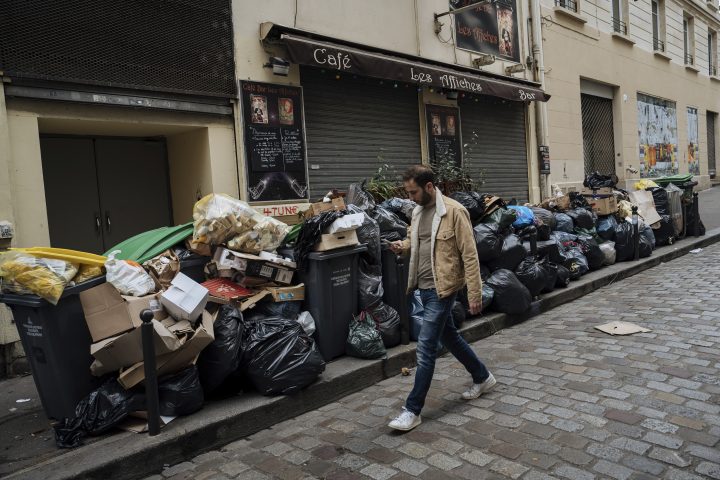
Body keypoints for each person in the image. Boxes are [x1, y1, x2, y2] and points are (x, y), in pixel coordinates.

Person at [387, 165, 495, 432]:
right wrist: (402, 246)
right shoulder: (417, 211)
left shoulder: (454, 212)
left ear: (428, 187)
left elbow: (470, 255)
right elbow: (415, 239)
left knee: (425, 348)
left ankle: (412, 410)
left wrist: (475, 293)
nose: (410, 197)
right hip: (422, 287)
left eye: (413, 192)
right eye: (407, 192)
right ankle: (482, 377)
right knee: (450, 336)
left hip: (442, 289)